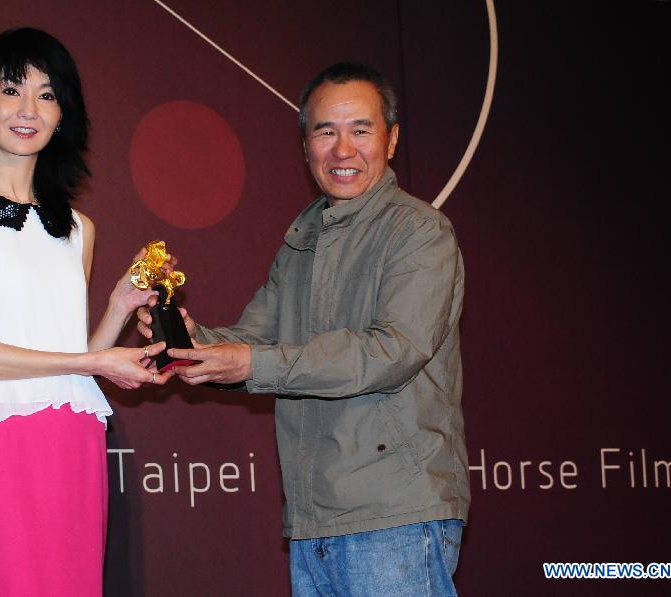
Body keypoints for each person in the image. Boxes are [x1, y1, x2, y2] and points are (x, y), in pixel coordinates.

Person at [140, 62, 469, 595]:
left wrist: (252, 361)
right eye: (325, 131)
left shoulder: (420, 232)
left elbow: (391, 351)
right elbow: (257, 341)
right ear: (305, 144)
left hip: (394, 514)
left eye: (360, 130)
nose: (343, 150)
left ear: (391, 140)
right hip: (313, 519)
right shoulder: (302, 242)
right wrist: (192, 341)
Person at [0, 28, 171, 596]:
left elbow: (73, 361)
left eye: (48, 94)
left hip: (74, 443)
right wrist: (98, 359)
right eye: (12, 90)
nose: (29, 109)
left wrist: (116, 308)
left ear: (64, 115)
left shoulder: (79, 229)